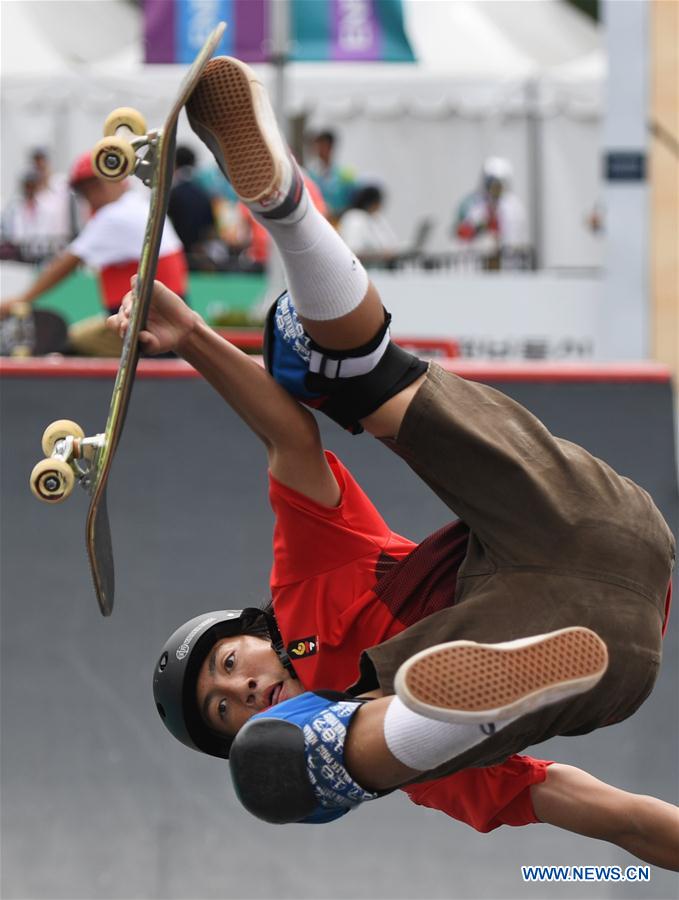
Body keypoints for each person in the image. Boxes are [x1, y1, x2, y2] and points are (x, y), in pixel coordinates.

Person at [112, 56, 677, 868]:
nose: (239, 690)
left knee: (308, 362)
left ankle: (283, 202)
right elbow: (617, 818)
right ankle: (438, 705)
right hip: (606, 647)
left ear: (258, 634)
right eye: (225, 707)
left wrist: (195, 336)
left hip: (560, 525)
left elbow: (290, 438)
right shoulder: (400, 764)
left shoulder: (306, 590)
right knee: (284, 766)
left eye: (231, 666)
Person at [0, 151, 188, 356]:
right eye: (84, 190)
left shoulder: (114, 215)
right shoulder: (137, 204)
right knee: (75, 337)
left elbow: (66, 264)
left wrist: (21, 300)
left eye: (94, 185)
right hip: (151, 322)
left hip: (147, 328)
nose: (90, 196)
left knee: (67, 347)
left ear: (115, 179)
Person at [454, 157, 528, 267]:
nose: (495, 189)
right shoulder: (476, 205)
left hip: (508, 264)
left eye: (499, 184)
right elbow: (462, 233)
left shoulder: (514, 207)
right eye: (491, 183)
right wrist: (480, 226)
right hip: (479, 264)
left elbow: (515, 237)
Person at [338, 184, 400, 267]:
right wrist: (380, 255)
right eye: (378, 203)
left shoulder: (375, 218)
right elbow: (353, 252)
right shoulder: (354, 218)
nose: (379, 207)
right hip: (363, 269)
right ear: (371, 202)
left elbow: (392, 243)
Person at [306, 129, 357, 223]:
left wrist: (336, 215)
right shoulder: (311, 174)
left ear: (331, 147)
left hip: (339, 224)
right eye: (317, 146)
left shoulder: (344, 174)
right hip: (318, 223)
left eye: (323, 145)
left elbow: (352, 202)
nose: (319, 150)